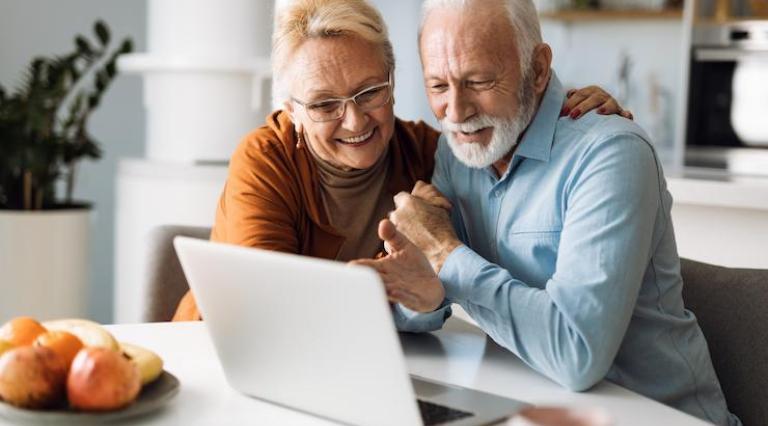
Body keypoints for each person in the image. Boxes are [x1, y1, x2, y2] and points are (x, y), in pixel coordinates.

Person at [353, 1, 740, 425]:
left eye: (478, 81)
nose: (457, 112)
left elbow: (576, 354)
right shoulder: (458, 149)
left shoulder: (610, 154)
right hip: (535, 408)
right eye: (438, 87)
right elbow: (433, 290)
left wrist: (445, 256)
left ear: (537, 70)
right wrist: (420, 293)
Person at [172, 0, 627, 323]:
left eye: (370, 91)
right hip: (222, 352)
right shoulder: (265, 158)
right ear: (291, 110)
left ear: (392, 79)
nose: (354, 120)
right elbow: (268, 308)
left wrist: (561, 108)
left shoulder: (432, 153)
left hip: (365, 366)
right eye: (324, 104)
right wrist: (403, 255)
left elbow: (508, 141)